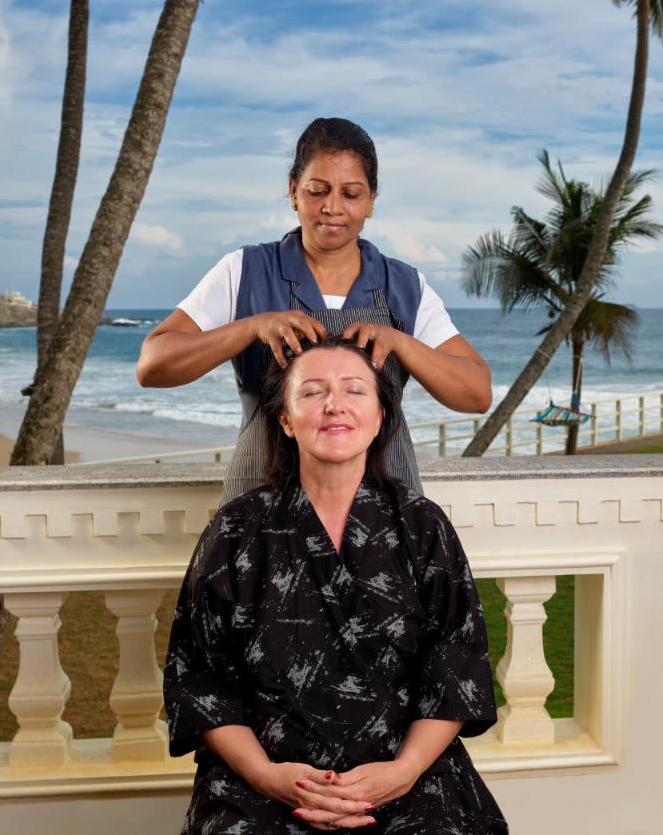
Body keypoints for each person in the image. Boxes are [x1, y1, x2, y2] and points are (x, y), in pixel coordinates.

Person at [163, 336, 509, 833]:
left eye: (354, 390)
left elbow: (457, 667)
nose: (334, 405)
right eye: (312, 392)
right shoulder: (237, 530)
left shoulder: (422, 526)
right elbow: (200, 678)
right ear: (284, 419)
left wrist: (401, 772)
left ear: (381, 415)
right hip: (270, 776)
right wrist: (267, 775)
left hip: (403, 774)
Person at [136, 117, 492, 504]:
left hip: (383, 515)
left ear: (372, 200)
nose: (332, 207)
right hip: (263, 507)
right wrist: (252, 327)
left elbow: (476, 394)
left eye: (351, 194)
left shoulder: (404, 286)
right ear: (293, 192)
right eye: (317, 190)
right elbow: (153, 365)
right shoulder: (245, 271)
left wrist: (401, 342)